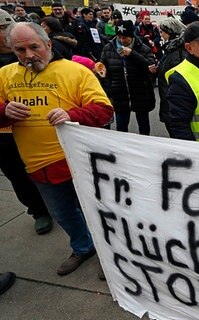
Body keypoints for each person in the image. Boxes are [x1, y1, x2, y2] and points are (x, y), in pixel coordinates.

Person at [0, 22, 113, 275]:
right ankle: (83, 247)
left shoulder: (75, 71)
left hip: (79, 162)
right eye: (20, 50)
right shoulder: (5, 75)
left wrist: (72, 114)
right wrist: (4, 111)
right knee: (62, 213)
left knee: (98, 212)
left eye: (34, 47)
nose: (29, 55)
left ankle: (111, 259)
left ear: (48, 44)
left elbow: (104, 111)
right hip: (38, 166)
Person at [0, 10, 52, 235]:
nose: (5, 34)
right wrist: (4, 110)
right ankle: (39, 210)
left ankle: (60, 205)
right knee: (18, 175)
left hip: (43, 130)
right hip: (5, 136)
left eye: (5, 27)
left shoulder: (37, 53)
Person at [100, 20, 156, 135]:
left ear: (131, 36)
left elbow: (150, 67)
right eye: (119, 37)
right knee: (121, 127)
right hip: (119, 93)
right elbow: (104, 70)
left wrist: (132, 54)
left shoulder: (143, 48)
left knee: (144, 126)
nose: (121, 40)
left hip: (140, 92)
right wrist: (109, 90)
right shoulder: (108, 48)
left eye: (125, 38)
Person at [155, 17, 186, 137]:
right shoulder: (171, 49)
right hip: (169, 101)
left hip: (175, 105)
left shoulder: (178, 52)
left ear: (170, 32)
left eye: (162, 32)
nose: (161, 35)